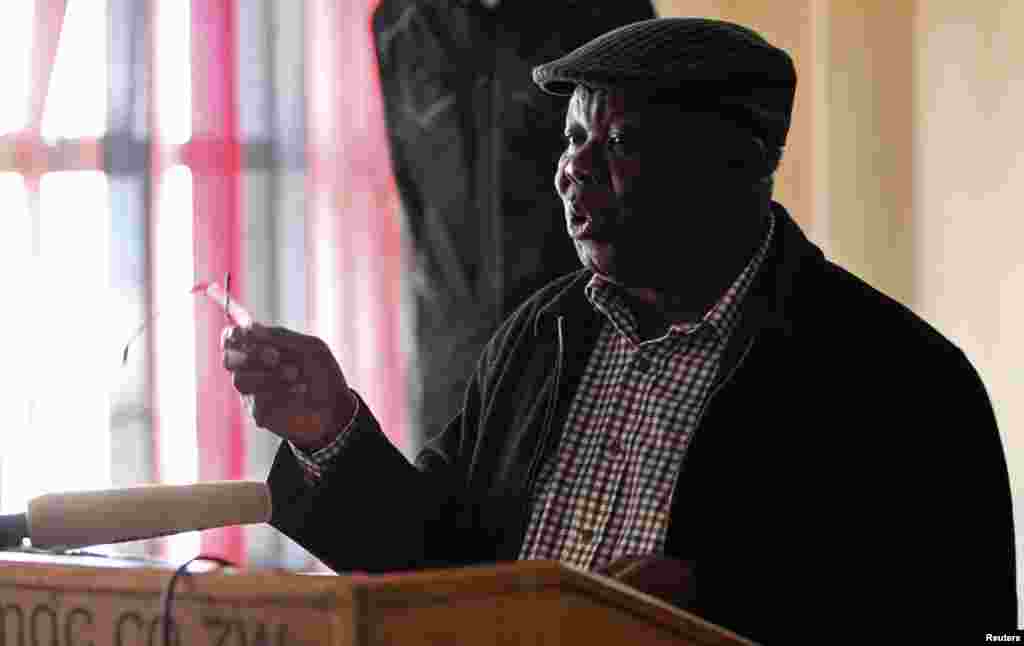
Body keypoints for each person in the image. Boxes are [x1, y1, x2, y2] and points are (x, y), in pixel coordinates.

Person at [222, 18, 1016, 642]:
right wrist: (331, 432)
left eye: (622, 142)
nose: (575, 169)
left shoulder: (903, 382)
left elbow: (971, 629)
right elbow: (438, 563)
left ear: (735, 166)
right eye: (573, 138)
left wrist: (718, 610)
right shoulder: (542, 334)